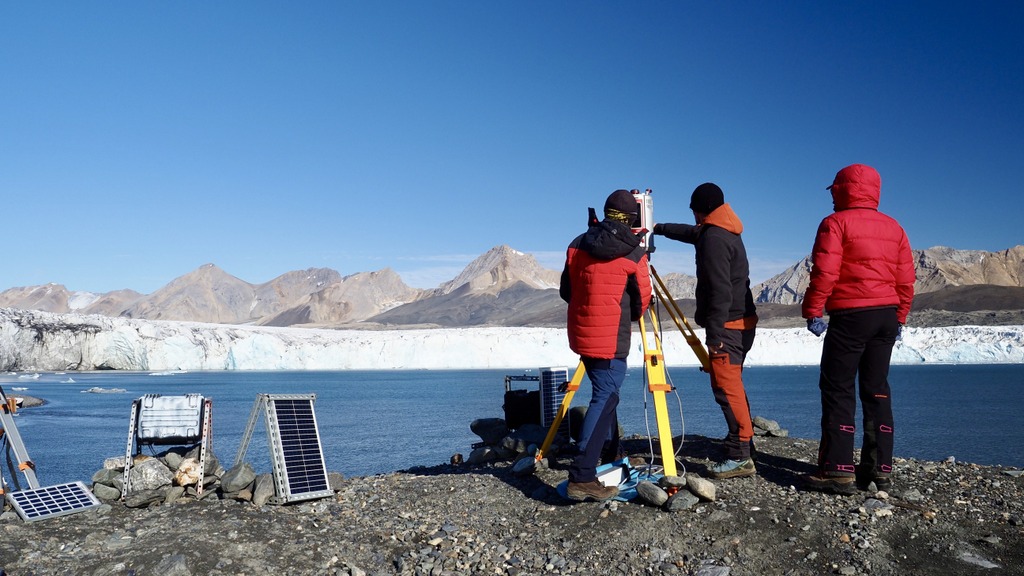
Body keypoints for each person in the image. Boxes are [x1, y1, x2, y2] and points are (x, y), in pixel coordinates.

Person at [801, 163, 915, 495]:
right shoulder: (895, 227)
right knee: (877, 389)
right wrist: (901, 317)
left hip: (851, 315)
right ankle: (879, 468)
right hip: (886, 316)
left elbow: (825, 271)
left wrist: (812, 310)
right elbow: (906, 279)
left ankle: (838, 470)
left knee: (838, 388)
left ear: (842, 189)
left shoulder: (835, 223)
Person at [652, 183, 758, 479]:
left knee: (726, 387)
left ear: (701, 209)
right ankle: (743, 440)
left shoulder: (714, 239)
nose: (694, 217)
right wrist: (657, 228)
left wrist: (714, 338)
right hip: (741, 322)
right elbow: (691, 233)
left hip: (728, 326)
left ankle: (741, 456)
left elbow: (720, 291)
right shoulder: (723, 229)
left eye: (694, 211)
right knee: (732, 383)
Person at [559, 189, 652, 501]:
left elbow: (565, 290)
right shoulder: (634, 253)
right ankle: (582, 475)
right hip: (611, 338)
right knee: (606, 396)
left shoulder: (577, 243)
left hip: (582, 334)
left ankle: (612, 452)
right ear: (634, 218)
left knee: (605, 393)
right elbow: (642, 304)